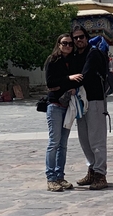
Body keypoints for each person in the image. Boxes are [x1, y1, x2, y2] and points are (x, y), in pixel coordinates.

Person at [70, 24, 109, 190]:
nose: (79, 40)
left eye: (82, 37)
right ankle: (92, 169)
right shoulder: (74, 56)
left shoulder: (93, 54)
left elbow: (85, 75)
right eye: (76, 38)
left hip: (95, 100)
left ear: (87, 38)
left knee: (97, 138)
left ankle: (100, 173)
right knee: (84, 138)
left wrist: (69, 83)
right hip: (80, 102)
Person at [43, 34, 82, 192]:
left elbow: (77, 80)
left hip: (68, 106)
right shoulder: (52, 60)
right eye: (64, 43)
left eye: (70, 44)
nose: (68, 46)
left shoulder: (72, 61)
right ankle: (51, 178)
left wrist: (70, 84)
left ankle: (60, 176)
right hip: (55, 105)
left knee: (63, 145)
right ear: (58, 44)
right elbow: (50, 83)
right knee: (54, 142)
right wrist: (68, 79)